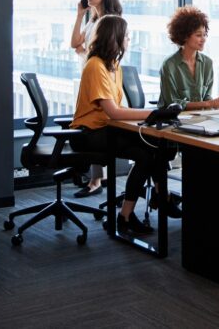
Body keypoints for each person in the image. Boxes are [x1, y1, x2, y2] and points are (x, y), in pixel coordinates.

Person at [68, 15, 179, 235]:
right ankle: (159, 197)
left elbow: (116, 111)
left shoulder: (114, 66)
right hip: (89, 132)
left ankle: (129, 214)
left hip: (106, 128)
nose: (129, 39)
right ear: (115, 38)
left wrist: (153, 115)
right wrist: (154, 113)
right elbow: (113, 112)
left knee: (153, 149)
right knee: (150, 150)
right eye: (127, 36)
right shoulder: (95, 66)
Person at [68, 0, 123, 197]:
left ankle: (98, 180)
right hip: (91, 77)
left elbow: (93, 50)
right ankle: (97, 179)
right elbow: (75, 44)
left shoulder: (111, 22)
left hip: (104, 79)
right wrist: (80, 15)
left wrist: (85, 50)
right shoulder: (92, 21)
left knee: (104, 123)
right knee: (95, 124)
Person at [158, 6, 219, 110]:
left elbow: (206, 97)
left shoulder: (207, 63)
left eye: (205, 35)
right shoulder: (169, 65)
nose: (203, 39)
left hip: (200, 120)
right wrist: (208, 103)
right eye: (199, 35)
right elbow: (172, 103)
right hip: (172, 121)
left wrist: (216, 103)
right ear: (185, 36)